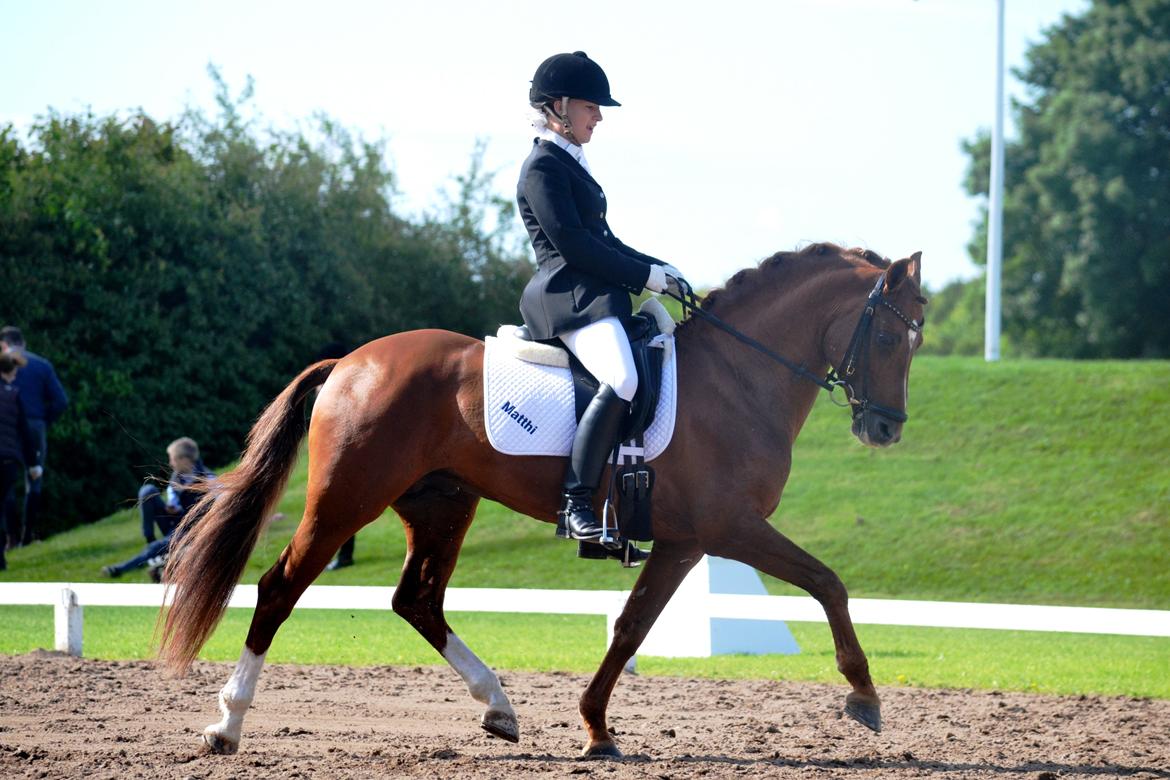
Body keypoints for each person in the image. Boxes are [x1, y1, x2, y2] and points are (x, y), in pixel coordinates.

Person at [517, 51, 688, 547]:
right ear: (560, 106)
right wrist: (646, 277)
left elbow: (605, 241)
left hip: (595, 296)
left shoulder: (571, 163)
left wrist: (659, 269)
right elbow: (574, 246)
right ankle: (576, 504)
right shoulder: (542, 167)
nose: (599, 117)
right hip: (568, 298)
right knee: (622, 376)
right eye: (591, 107)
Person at [102, 437, 213, 579]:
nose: (170, 463)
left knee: (155, 549)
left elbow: (216, 511)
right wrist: (172, 507)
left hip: (190, 531)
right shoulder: (177, 477)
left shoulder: (209, 481)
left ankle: (120, 569)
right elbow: (173, 499)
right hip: (175, 522)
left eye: (173, 459)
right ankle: (150, 539)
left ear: (184, 459)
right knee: (147, 491)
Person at [0, 326, 68, 547]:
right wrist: (43, 421)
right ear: (24, 343)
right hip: (34, 424)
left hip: (6, 427)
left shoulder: (4, 363)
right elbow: (61, 401)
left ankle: (10, 538)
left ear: (4, 344)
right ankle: (27, 535)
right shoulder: (41, 365)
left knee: (6, 482)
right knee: (34, 480)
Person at [0, 348, 42, 571]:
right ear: (9, 371)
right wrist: (33, 464)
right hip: (7, 459)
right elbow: (24, 433)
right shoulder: (13, 395)